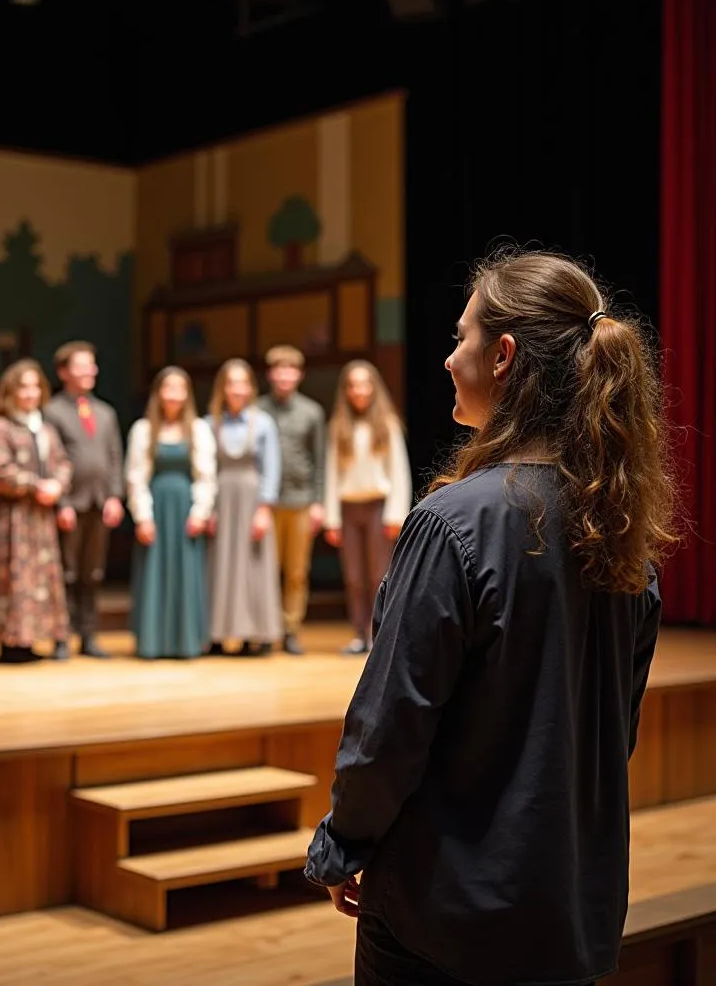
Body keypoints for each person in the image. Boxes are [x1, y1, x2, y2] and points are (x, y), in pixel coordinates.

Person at [305, 250, 678, 986]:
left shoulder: (451, 523)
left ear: (503, 355)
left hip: (444, 918)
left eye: (461, 337)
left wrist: (344, 842)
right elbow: (611, 736)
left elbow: (388, 727)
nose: (448, 359)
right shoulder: (622, 529)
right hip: (569, 913)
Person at [0, 360, 72, 663]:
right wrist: (34, 485)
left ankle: (31, 638)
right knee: (12, 575)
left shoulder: (46, 428)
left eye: (34, 386)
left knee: (38, 578)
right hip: (10, 517)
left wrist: (57, 485)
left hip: (40, 516)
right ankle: (10, 641)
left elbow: (63, 462)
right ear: (9, 391)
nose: (29, 393)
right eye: (22, 386)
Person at [323, 360, 413, 655]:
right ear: (346, 390)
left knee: (379, 574)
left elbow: (399, 471)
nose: (358, 390)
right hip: (349, 508)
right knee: (354, 576)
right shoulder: (339, 426)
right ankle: (359, 634)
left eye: (364, 384)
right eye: (352, 385)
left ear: (374, 388)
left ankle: (379, 634)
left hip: (378, 507)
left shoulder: (386, 424)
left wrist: (396, 513)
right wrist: (332, 519)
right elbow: (331, 473)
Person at [126, 366, 216, 659]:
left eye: (180, 388)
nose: (174, 395)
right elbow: (136, 476)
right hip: (157, 508)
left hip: (185, 509)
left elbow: (206, 475)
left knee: (185, 573)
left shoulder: (199, 429)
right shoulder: (143, 429)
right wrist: (143, 516)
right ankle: (153, 642)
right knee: (155, 572)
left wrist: (200, 512)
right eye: (168, 388)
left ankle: (186, 642)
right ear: (158, 393)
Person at [43, 341, 124, 660]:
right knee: (66, 571)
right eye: (81, 366)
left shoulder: (105, 412)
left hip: (99, 502)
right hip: (70, 503)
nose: (89, 372)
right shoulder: (52, 411)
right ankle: (61, 636)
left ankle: (88, 634)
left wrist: (115, 496)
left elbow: (114, 456)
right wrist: (61, 501)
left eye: (92, 365)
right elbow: (51, 458)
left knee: (93, 572)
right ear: (63, 372)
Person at [205, 358, 283, 657]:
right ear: (222, 388)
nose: (237, 389)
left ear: (250, 388)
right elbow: (206, 468)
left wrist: (264, 507)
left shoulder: (263, 423)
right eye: (231, 383)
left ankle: (257, 634)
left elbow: (271, 467)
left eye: (242, 383)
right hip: (222, 498)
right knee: (221, 565)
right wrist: (209, 508)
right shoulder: (209, 422)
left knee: (254, 566)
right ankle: (218, 634)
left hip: (252, 499)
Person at [257, 345, 326, 656]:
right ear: (270, 374)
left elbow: (319, 460)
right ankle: (265, 627)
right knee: (265, 568)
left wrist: (319, 502)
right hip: (265, 503)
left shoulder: (312, 412)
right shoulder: (257, 410)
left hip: (300, 500)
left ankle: (290, 628)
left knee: (297, 571)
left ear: (299, 375)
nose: (284, 376)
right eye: (279, 370)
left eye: (290, 370)